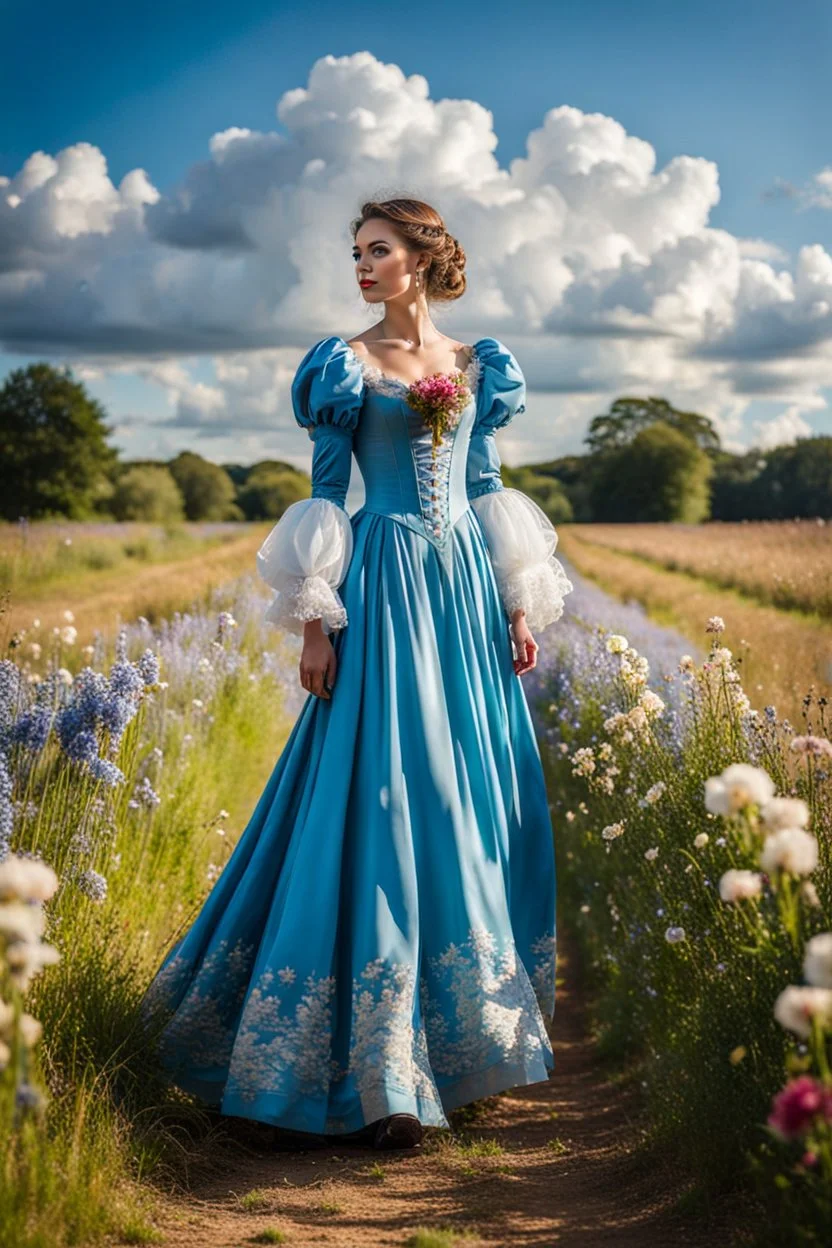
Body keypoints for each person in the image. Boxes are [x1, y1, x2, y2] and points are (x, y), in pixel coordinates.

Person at [141, 197, 573, 1152]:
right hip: (381, 587)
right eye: (355, 253)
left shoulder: (476, 367)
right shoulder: (342, 366)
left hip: (461, 589)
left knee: (469, 800)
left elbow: (488, 483)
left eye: (377, 250)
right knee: (383, 795)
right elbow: (328, 491)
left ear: (422, 258)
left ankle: (466, 1051)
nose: (362, 266)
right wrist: (315, 623)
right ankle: (384, 1076)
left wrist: (514, 601)